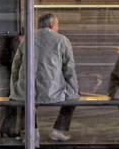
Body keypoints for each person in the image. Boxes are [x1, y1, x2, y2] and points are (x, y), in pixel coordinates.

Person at [9, 13, 79, 142]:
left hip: (28, 90)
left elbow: (16, 66)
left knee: (26, 96)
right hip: (52, 91)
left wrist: (15, 88)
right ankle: (60, 129)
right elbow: (69, 69)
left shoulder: (27, 40)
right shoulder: (62, 40)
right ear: (53, 25)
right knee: (74, 97)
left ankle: (31, 130)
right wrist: (73, 90)